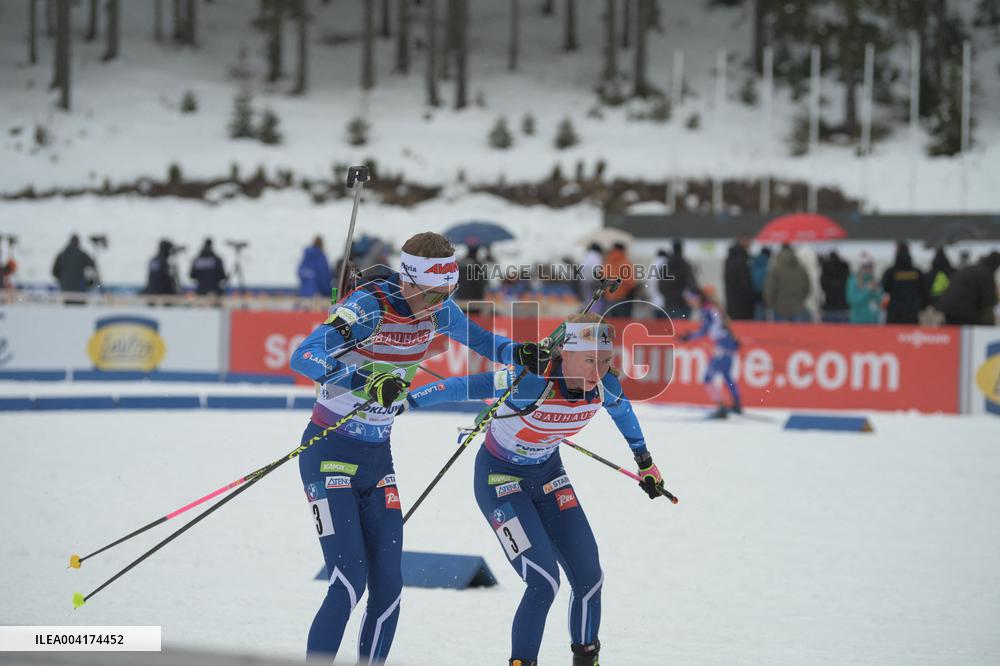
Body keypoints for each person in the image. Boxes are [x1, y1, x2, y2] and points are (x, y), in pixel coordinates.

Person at [288, 231, 551, 664]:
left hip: (377, 459)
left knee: (388, 586)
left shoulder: (438, 309)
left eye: (447, 294)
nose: (439, 305)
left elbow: (483, 342)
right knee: (349, 579)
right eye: (432, 295)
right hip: (329, 450)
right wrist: (366, 381)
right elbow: (304, 356)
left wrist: (518, 352)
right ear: (408, 281)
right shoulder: (368, 307)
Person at [406, 313, 665, 666]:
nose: (597, 371)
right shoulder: (530, 381)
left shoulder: (607, 386)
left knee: (589, 578)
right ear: (565, 354)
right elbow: (460, 386)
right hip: (500, 481)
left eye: (605, 361)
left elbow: (625, 416)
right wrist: (405, 402)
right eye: (589, 360)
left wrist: (645, 461)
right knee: (544, 582)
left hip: (549, 477)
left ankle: (586, 659)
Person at [679, 288, 742, 418]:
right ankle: (736, 403)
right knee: (726, 375)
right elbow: (724, 325)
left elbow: (705, 330)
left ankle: (721, 406)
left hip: (723, 345)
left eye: (691, 299)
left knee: (708, 377)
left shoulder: (708, 310)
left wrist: (689, 337)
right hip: (727, 343)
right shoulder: (714, 308)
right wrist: (734, 339)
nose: (690, 303)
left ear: (697, 298)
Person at [935, 251, 1000, 325]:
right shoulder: (986, 274)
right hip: (963, 309)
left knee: (955, 328)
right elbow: (988, 299)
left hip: (948, 306)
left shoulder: (971, 268)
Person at [880, 242, 927, 324]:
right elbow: (924, 291)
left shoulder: (890, 272)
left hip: (895, 313)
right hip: (912, 313)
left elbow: (885, 288)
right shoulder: (917, 272)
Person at [764, 244, 811, 322]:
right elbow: (807, 288)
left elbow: (769, 289)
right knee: (797, 333)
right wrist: (800, 300)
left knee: (779, 334)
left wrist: (771, 304)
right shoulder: (801, 269)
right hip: (797, 306)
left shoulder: (775, 269)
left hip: (779, 307)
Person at [656, 239, 699, 320]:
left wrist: (667, 297)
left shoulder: (665, 266)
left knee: (671, 329)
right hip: (682, 305)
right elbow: (692, 285)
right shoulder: (685, 265)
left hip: (668, 304)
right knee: (682, 329)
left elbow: (660, 286)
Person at [52, 234, 97, 304]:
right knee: (80, 313)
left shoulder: (61, 255)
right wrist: (89, 282)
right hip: (80, 291)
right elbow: (93, 266)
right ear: (78, 242)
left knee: (69, 312)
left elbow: (54, 272)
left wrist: (63, 280)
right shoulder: (82, 254)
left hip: (66, 291)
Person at [724, 238, 755, 320]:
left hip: (732, 302)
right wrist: (753, 297)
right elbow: (745, 284)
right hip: (742, 304)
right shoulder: (741, 261)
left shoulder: (730, 258)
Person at [846, 252, 882, 324]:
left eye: (870, 266)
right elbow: (852, 300)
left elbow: (881, 300)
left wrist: (876, 291)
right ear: (861, 267)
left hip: (873, 321)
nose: (868, 269)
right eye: (866, 266)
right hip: (858, 321)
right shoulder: (854, 281)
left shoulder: (875, 281)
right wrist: (867, 290)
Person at [602, 242, 635, 317]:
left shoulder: (607, 261)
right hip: (622, 297)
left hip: (609, 297)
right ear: (623, 250)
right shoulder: (625, 262)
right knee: (622, 324)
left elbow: (603, 279)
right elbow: (630, 283)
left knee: (611, 323)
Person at [819, 250, 850, 323]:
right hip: (843, 308)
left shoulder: (825, 269)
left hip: (829, 307)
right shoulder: (844, 268)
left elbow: (823, 287)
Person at [750, 247, 772, 320]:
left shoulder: (754, 263)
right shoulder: (767, 265)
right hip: (764, 294)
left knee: (757, 314)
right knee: (764, 315)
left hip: (754, 294)